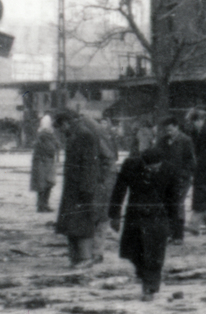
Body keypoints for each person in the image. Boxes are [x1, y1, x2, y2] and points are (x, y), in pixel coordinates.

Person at [109, 133, 172, 299]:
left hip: (158, 217)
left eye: (158, 167)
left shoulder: (169, 170)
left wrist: (174, 227)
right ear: (144, 164)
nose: (155, 170)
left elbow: (174, 199)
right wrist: (114, 215)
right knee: (132, 252)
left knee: (154, 254)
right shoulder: (130, 165)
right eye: (152, 168)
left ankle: (150, 287)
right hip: (135, 215)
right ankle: (143, 274)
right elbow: (119, 191)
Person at [54, 109, 117, 267]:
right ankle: (79, 257)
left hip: (87, 186)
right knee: (76, 221)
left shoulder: (84, 133)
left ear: (66, 123)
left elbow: (94, 163)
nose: (61, 132)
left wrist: (91, 188)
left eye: (61, 127)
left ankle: (88, 257)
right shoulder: (80, 132)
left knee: (86, 221)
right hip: (80, 186)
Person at [158, 114, 195, 243]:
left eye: (171, 130)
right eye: (166, 130)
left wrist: (184, 176)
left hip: (181, 179)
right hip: (165, 178)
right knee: (167, 205)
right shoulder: (162, 141)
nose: (168, 133)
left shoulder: (186, 141)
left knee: (178, 205)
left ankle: (178, 236)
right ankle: (169, 234)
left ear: (176, 127)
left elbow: (191, 162)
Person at [30, 113, 61, 213]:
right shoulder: (43, 136)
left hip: (46, 163)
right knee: (43, 185)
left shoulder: (48, 135)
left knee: (47, 185)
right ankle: (42, 205)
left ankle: (44, 204)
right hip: (43, 163)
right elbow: (50, 148)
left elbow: (56, 146)